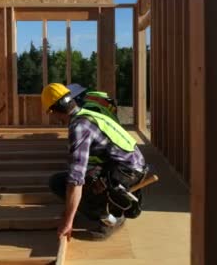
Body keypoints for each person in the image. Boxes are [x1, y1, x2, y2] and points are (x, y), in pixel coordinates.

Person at [42, 83, 147, 241]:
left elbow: (75, 179)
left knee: (59, 183)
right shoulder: (89, 114)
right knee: (80, 178)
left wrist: (67, 222)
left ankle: (111, 219)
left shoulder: (79, 127)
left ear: (54, 111)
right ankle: (112, 206)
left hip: (125, 173)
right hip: (131, 167)